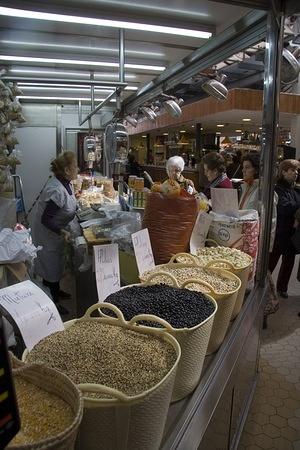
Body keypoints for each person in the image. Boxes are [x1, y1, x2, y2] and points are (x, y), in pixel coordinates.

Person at [32, 151, 79, 315]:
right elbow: (46, 219)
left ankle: (56, 291)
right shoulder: (56, 190)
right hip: (47, 233)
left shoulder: (67, 182)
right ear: (67, 170)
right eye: (75, 166)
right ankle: (53, 302)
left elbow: (69, 202)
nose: (77, 169)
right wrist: (62, 232)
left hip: (55, 232)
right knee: (50, 266)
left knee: (56, 264)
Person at [238, 152, 279, 327]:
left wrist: (266, 245)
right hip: (246, 239)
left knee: (260, 276)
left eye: (247, 168)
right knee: (251, 276)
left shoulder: (264, 190)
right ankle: (255, 313)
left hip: (258, 240)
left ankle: (266, 309)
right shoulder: (246, 187)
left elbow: (271, 219)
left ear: (256, 170)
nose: (244, 171)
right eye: (244, 167)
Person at [269, 159, 300, 298]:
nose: (296, 173)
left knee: (289, 262)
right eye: (292, 170)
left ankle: (282, 288)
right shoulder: (278, 189)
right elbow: (284, 208)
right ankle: (266, 287)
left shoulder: (292, 189)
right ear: (283, 172)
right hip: (280, 231)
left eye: (297, 170)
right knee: (272, 261)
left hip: (290, 232)